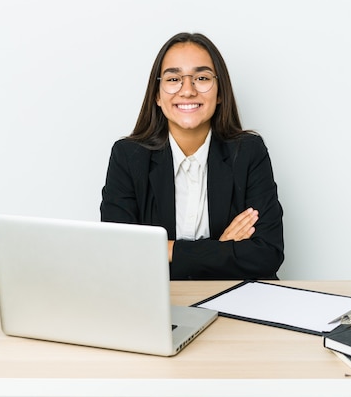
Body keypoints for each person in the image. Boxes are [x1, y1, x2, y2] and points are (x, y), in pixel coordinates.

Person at [100, 32, 284, 280]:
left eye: (201, 77)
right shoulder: (127, 157)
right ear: (157, 94)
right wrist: (221, 247)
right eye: (174, 78)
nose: (187, 90)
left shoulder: (249, 151)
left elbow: (266, 255)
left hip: (236, 301)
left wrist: (168, 249)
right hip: (155, 304)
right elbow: (118, 258)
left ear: (220, 93)